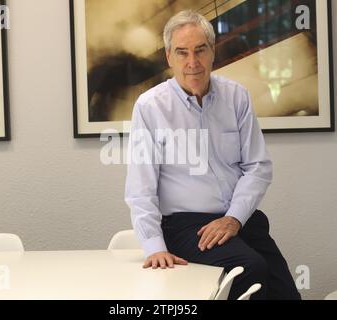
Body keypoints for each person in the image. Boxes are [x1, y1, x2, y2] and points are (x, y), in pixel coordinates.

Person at [125, 10, 301, 300]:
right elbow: (140, 187)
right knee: (249, 268)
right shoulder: (150, 107)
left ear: (212, 52)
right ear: (169, 57)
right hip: (184, 225)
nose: (192, 63)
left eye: (200, 50)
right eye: (181, 53)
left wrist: (233, 218)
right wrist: (155, 247)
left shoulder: (237, 97)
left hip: (238, 219)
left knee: (287, 293)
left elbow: (258, 167)